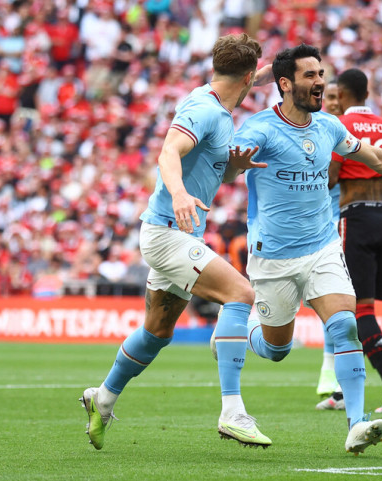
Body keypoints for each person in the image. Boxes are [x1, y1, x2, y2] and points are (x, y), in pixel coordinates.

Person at [234, 44, 382, 455]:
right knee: (276, 350)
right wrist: (235, 163)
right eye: (310, 75)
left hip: (323, 247)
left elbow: (375, 156)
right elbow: (230, 161)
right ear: (285, 84)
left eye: (321, 73)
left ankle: (357, 424)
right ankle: (243, 328)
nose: (321, 81)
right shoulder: (259, 128)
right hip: (274, 255)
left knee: (345, 325)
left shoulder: (329, 127)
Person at [80, 33, 272, 450]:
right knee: (240, 293)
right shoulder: (204, 110)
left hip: (177, 232)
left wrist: (232, 169)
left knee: (157, 332)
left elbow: (205, 163)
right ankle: (233, 411)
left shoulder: (219, 106)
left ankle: (103, 399)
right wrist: (181, 193)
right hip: (168, 232)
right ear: (247, 76)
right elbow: (169, 152)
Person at [316, 68, 382, 413]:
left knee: (354, 309)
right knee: (359, 307)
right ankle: (342, 392)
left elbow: (331, 178)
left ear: (344, 93)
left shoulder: (343, 127)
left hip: (353, 217)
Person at [315, 80, 343, 399]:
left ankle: (332, 370)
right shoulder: (321, 133)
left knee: (338, 300)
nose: (333, 102)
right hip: (323, 227)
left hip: (345, 225)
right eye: (329, 97)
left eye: (337, 97)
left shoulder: (347, 136)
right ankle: (327, 367)